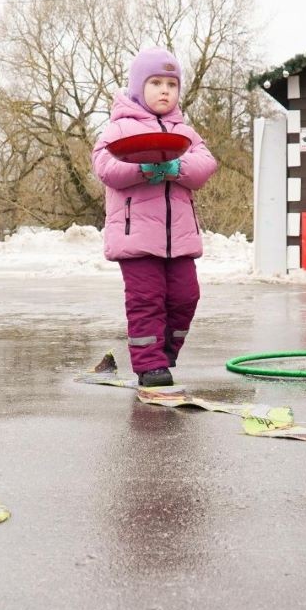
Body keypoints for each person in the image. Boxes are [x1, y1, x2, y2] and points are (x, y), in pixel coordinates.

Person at [91, 48, 218, 387]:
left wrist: (178, 168)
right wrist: (142, 169)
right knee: (146, 300)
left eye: (172, 84)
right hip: (136, 239)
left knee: (186, 296)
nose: (165, 90)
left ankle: (165, 351)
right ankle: (149, 365)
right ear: (137, 87)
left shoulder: (184, 132)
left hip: (179, 239)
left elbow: (205, 165)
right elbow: (106, 167)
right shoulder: (119, 129)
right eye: (156, 83)